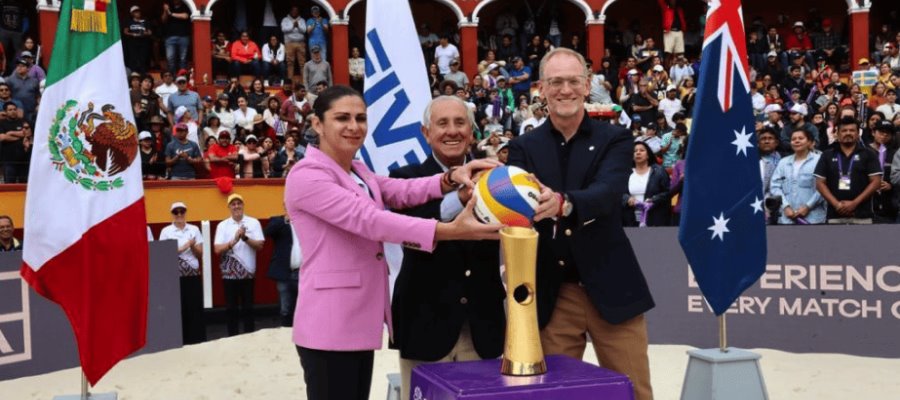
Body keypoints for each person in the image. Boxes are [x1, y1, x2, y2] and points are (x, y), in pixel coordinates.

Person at [284, 86, 503, 400]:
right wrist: (448, 231)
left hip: (357, 319)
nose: (354, 126)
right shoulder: (307, 175)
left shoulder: (356, 170)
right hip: (328, 322)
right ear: (317, 124)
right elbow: (371, 221)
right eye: (342, 118)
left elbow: (400, 191)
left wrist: (451, 178)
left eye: (360, 118)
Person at [505, 48, 654, 400]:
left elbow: (607, 193)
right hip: (555, 295)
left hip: (614, 289)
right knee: (554, 395)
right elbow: (517, 209)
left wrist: (562, 203)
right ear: (541, 88)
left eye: (573, 81)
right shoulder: (522, 147)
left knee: (633, 392)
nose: (565, 90)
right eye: (556, 82)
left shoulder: (615, 138)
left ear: (587, 86)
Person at [814, 116, 883, 224]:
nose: (848, 133)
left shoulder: (869, 153)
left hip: (862, 216)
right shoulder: (827, 154)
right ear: (837, 133)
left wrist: (854, 203)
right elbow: (819, 183)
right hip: (834, 215)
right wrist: (837, 205)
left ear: (858, 133)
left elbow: (876, 182)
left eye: (852, 130)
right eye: (844, 130)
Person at [213, 194, 265, 336]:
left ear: (243, 205)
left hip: (248, 272)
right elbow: (217, 249)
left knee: (248, 308)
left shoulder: (253, 222)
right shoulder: (222, 225)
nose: (236, 206)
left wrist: (245, 238)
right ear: (229, 207)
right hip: (229, 274)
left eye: (239, 203)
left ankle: (250, 337)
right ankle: (233, 338)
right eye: (233, 204)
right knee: (231, 309)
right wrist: (234, 240)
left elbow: (260, 245)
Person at [159, 202, 206, 344]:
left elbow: (200, 254)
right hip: (175, 276)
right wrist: (184, 246)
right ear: (172, 214)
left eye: (182, 211)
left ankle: (196, 339)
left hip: (192, 274)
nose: (179, 214)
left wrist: (192, 246)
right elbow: (164, 254)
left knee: (194, 307)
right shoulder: (166, 231)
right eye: (176, 212)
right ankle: (179, 340)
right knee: (178, 308)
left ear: (185, 212)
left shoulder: (194, 229)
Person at [769, 128, 826, 224]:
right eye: (793, 139)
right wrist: (785, 207)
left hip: (813, 218)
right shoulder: (783, 162)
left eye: (801, 138)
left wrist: (808, 206)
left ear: (809, 142)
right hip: (787, 218)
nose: (796, 141)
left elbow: (824, 187)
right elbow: (775, 187)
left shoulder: (820, 160)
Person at [265, 205, 302, 327]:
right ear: (285, 207)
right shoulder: (278, 221)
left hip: (302, 272)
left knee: (302, 307)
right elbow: (268, 231)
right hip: (284, 273)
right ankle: (285, 334)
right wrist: (286, 219)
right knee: (285, 308)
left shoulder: (303, 222)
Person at [623, 142, 670, 227]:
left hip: (654, 218)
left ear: (648, 155)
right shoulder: (625, 172)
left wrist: (653, 200)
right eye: (635, 151)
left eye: (642, 150)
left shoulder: (659, 171)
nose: (638, 152)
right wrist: (627, 199)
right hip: (630, 219)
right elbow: (617, 192)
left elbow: (667, 192)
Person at [870, 121, 897, 223]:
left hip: (888, 206)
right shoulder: (864, 151)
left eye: (888, 133)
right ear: (873, 132)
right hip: (867, 204)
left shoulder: (895, 154)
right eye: (881, 132)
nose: (884, 135)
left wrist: (891, 186)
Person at [161, 0, 192, 74]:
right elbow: (163, 20)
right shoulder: (169, 7)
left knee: (183, 58)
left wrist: (170, 13)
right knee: (170, 58)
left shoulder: (185, 6)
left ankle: (182, 76)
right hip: (170, 37)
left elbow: (185, 16)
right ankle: (172, 76)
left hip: (183, 36)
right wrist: (165, 11)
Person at [281, 5, 307, 81]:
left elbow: (304, 30)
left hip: (300, 43)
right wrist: (293, 26)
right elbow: (284, 29)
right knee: (290, 63)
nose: (294, 12)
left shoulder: (301, 20)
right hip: (289, 43)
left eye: (296, 10)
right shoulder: (285, 20)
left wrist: (298, 26)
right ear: (290, 11)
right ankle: (289, 81)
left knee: (302, 63)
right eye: (293, 10)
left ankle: (304, 82)